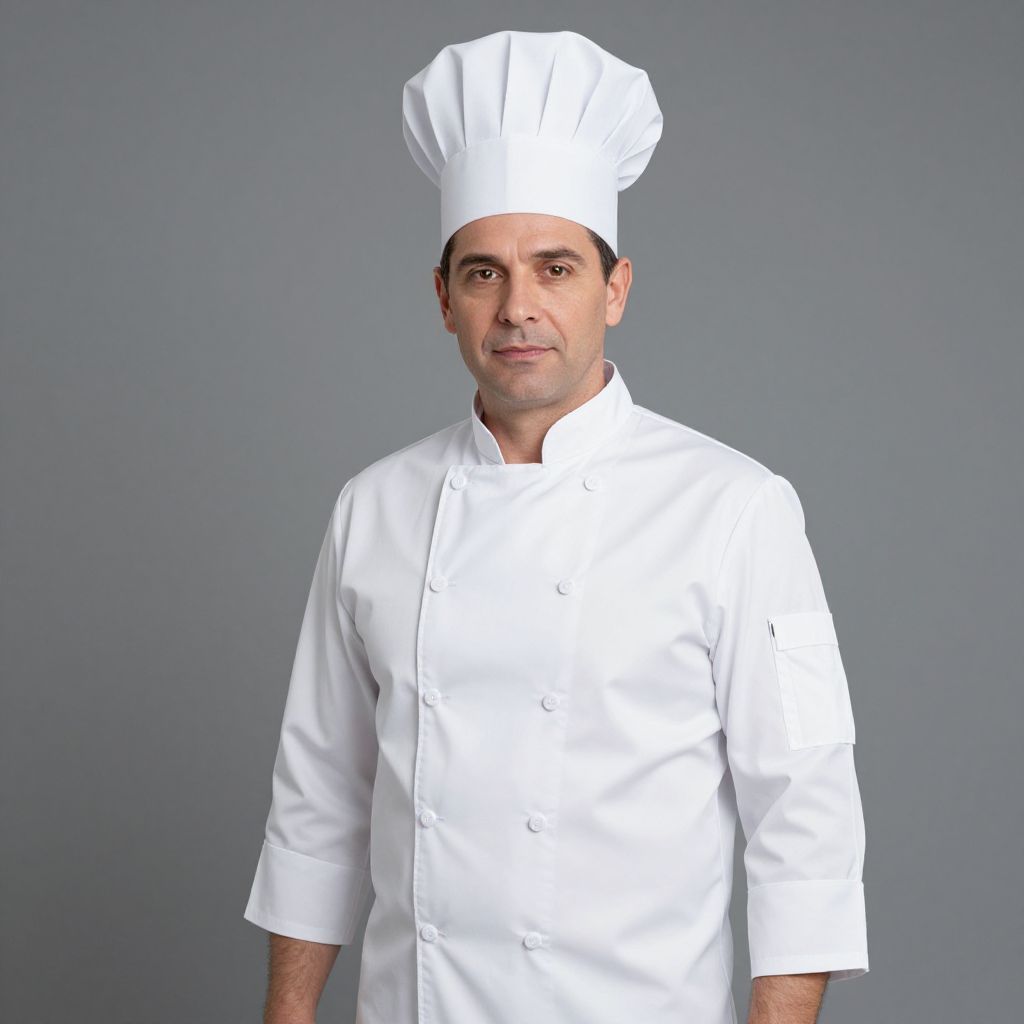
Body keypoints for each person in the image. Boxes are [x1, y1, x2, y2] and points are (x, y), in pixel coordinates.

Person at [243, 28, 869, 1024]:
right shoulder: (374, 507)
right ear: (443, 298)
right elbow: (317, 800)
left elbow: (808, 820)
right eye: (484, 273)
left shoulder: (736, 508)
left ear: (614, 290)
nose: (518, 308)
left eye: (556, 268)